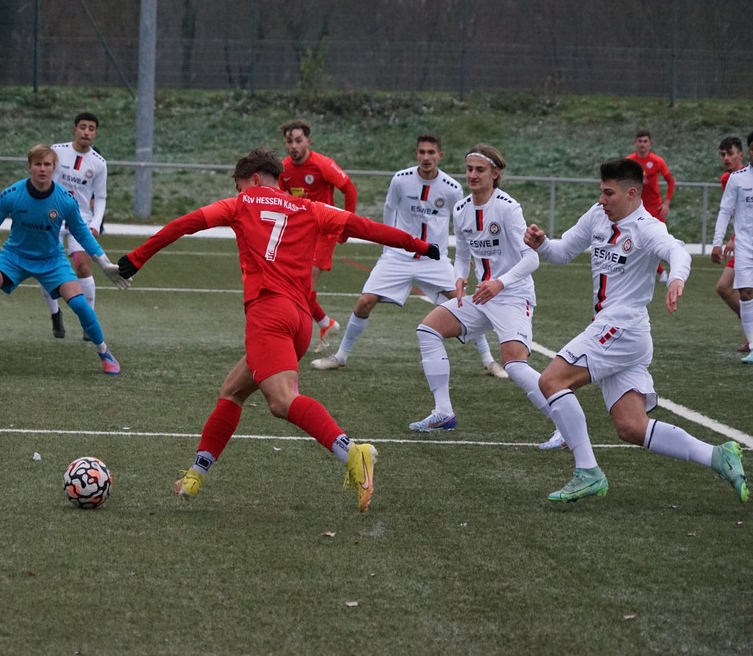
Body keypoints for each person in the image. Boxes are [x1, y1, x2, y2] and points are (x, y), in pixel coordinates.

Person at [116, 147, 441, 512]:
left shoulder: (239, 204)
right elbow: (365, 227)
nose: (239, 192)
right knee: (232, 391)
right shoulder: (312, 208)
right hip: (300, 322)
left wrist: (136, 258)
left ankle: (352, 451)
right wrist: (420, 245)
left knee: (281, 401)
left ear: (254, 180)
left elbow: (184, 224)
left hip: (268, 314)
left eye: (240, 185)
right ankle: (195, 474)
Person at [524, 158, 748, 503]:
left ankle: (588, 471)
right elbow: (563, 252)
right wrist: (541, 243)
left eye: (609, 193)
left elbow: (677, 252)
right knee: (631, 426)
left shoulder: (647, 227)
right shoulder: (597, 216)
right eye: (601, 192)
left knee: (551, 381)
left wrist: (676, 278)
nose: (602, 200)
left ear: (631, 193)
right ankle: (718, 455)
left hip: (622, 326)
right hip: (622, 333)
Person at [310, 133, 508, 379]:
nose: (426, 157)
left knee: (462, 302)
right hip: (398, 256)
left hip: (434, 259)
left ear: (440, 156)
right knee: (365, 301)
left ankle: (489, 361)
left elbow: (462, 221)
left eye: (431, 152)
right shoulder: (400, 180)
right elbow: (389, 209)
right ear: (416, 154)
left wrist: (466, 254)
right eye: (422, 152)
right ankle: (340, 356)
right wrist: (387, 248)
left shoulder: (452, 188)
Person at [407, 144, 563, 449]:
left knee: (514, 364)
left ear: (495, 173)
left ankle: (564, 427)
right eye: (469, 169)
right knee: (428, 330)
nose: (473, 175)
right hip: (482, 297)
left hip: (513, 296)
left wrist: (500, 283)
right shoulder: (461, 208)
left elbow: (532, 258)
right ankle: (443, 412)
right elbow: (462, 254)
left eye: (480, 170)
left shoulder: (507, 207)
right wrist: (459, 277)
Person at [0, 144, 129, 374]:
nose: (42, 169)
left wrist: (105, 263)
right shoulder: (12, 194)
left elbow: (82, 234)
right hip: (14, 256)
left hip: (52, 260)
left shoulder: (65, 200)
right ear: (29, 166)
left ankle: (104, 351)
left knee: (81, 305)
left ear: (54, 167)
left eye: (47, 164)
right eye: (38, 164)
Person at [278, 119, 358, 352]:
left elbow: (350, 190)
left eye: (298, 140)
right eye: (290, 141)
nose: (294, 146)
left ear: (308, 142)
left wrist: (347, 225)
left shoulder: (322, 164)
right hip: (301, 234)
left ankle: (298, 335)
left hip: (324, 233)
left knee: (306, 282)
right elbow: (281, 201)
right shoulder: (283, 169)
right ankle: (325, 324)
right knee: (297, 284)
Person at [39, 112, 109, 340]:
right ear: (75, 129)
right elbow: (43, 178)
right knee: (46, 269)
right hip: (52, 217)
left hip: (81, 220)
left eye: (91, 128)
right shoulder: (57, 151)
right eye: (83, 127)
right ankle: (55, 315)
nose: (86, 132)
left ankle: (89, 321)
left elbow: (100, 197)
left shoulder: (99, 163)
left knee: (83, 266)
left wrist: (95, 224)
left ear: (95, 133)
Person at [712, 131, 753, 364]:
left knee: (726, 287)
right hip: (744, 243)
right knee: (735, 289)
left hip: (741, 240)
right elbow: (731, 211)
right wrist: (723, 240)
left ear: (741, 154)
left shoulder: (733, 178)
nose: (726, 158)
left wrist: (732, 238)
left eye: (730, 154)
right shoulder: (731, 179)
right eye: (722, 154)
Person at [626, 129, 676, 281]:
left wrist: (666, 203)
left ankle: (674, 269)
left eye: (645, 141)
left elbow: (671, 181)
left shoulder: (657, 161)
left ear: (650, 143)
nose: (642, 144)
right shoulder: (629, 161)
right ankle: (660, 272)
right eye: (640, 141)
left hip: (655, 208)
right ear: (635, 143)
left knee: (659, 239)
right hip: (636, 208)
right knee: (635, 240)